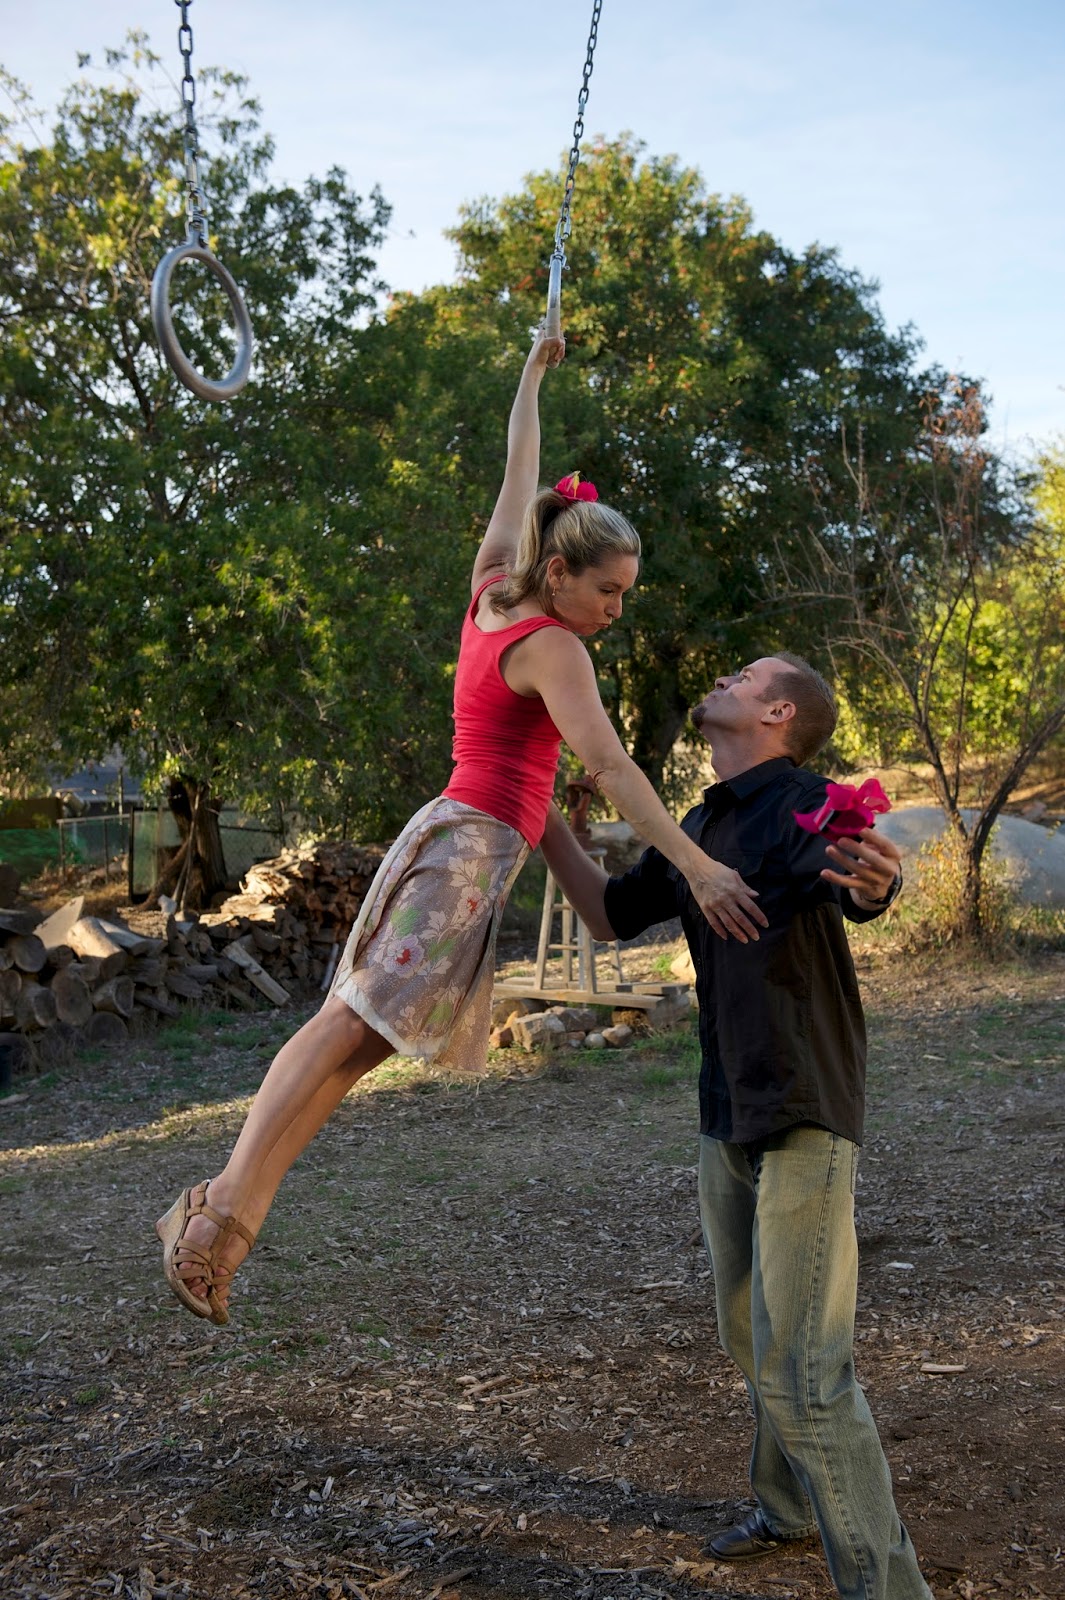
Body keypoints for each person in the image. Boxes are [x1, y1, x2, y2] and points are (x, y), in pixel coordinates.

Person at [156, 327, 767, 1327]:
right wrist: (696, 864)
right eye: (608, 590)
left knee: (361, 1044)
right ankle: (213, 1215)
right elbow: (611, 768)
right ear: (563, 575)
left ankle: (223, 1222)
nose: (616, 610)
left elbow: (517, 468)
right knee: (347, 1029)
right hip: (466, 852)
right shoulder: (555, 647)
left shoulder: (495, 584)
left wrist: (532, 371)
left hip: (459, 844)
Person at [539, 654, 933, 1600]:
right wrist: (537, 815)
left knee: (804, 1367)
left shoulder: (807, 802)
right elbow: (602, 914)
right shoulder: (699, 828)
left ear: (779, 711)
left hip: (802, 1106)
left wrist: (878, 883)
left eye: (748, 674)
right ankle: (789, 1506)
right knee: (751, 1336)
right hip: (728, 1111)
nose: (723, 675)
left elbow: (855, 882)